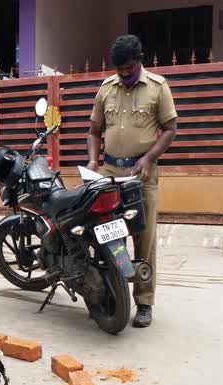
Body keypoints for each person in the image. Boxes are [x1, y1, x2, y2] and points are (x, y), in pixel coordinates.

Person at [86, 34, 177, 328]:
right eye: (119, 69)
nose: (124, 73)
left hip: (142, 176)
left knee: (144, 238)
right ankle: (110, 296)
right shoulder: (106, 88)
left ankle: (145, 303)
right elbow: (94, 131)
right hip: (111, 174)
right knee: (110, 236)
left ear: (139, 60)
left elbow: (170, 129)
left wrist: (149, 158)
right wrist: (93, 160)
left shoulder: (157, 87)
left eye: (128, 67)